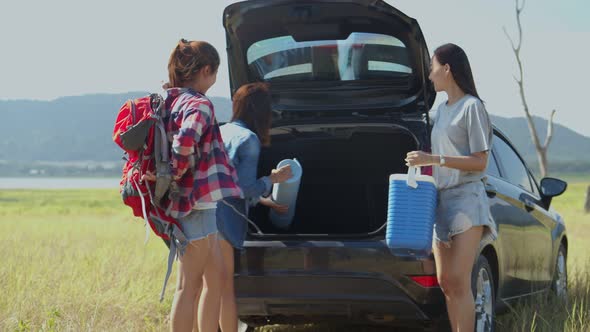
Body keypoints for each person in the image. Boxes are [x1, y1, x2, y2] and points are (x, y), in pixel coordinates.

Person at [404, 43, 497, 331]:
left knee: (458, 279)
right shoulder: (439, 112)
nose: (430, 76)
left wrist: (435, 158)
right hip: (440, 201)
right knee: (445, 282)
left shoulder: (472, 107)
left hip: (467, 201)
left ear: (447, 69)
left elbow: (480, 162)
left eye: (432, 68)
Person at [153, 38, 242, 332]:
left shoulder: (171, 99)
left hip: (193, 205)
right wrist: (176, 175)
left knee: (213, 277)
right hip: (195, 203)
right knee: (188, 286)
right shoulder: (199, 104)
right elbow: (186, 139)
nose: (215, 80)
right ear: (206, 70)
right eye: (215, 73)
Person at [194, 82, 293, 332]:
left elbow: (224, 180)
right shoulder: (249, 139)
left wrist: (263, 199)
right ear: (263, 112)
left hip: (200, 214)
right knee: (223, 288)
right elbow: (244, 188)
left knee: (204, 286)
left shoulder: (220, 131)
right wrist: (273, 179)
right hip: (225, 220)